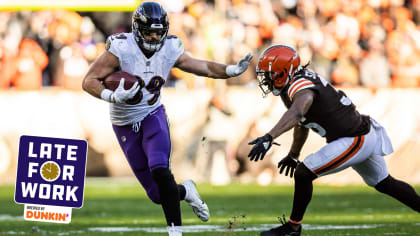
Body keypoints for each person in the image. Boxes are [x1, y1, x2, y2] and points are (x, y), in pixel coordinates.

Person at [82, 2, 252, 236]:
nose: (154, 37)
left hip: (152, 114)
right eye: (149, 32)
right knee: (156, 194)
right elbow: (89, 80)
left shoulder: (170, 47)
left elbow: (198, 66)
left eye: (158, 32)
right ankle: (186, 191)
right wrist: (111, 95)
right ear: (136, 29)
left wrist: (228, 70)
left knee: (160, 169)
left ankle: (175, 232)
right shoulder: (121, 48)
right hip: (124, 123)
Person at [247, 45, 420, 236]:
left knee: (304, 173)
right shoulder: (295, 83)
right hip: (359, 133)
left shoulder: (299, 86)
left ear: (283, 71)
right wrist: (293, 154)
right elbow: (302, 122)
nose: (265, 78)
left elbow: (297, 113)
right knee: (385, 183)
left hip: (354, 138)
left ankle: (293, 228)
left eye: (269, 73)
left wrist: (269, 137)